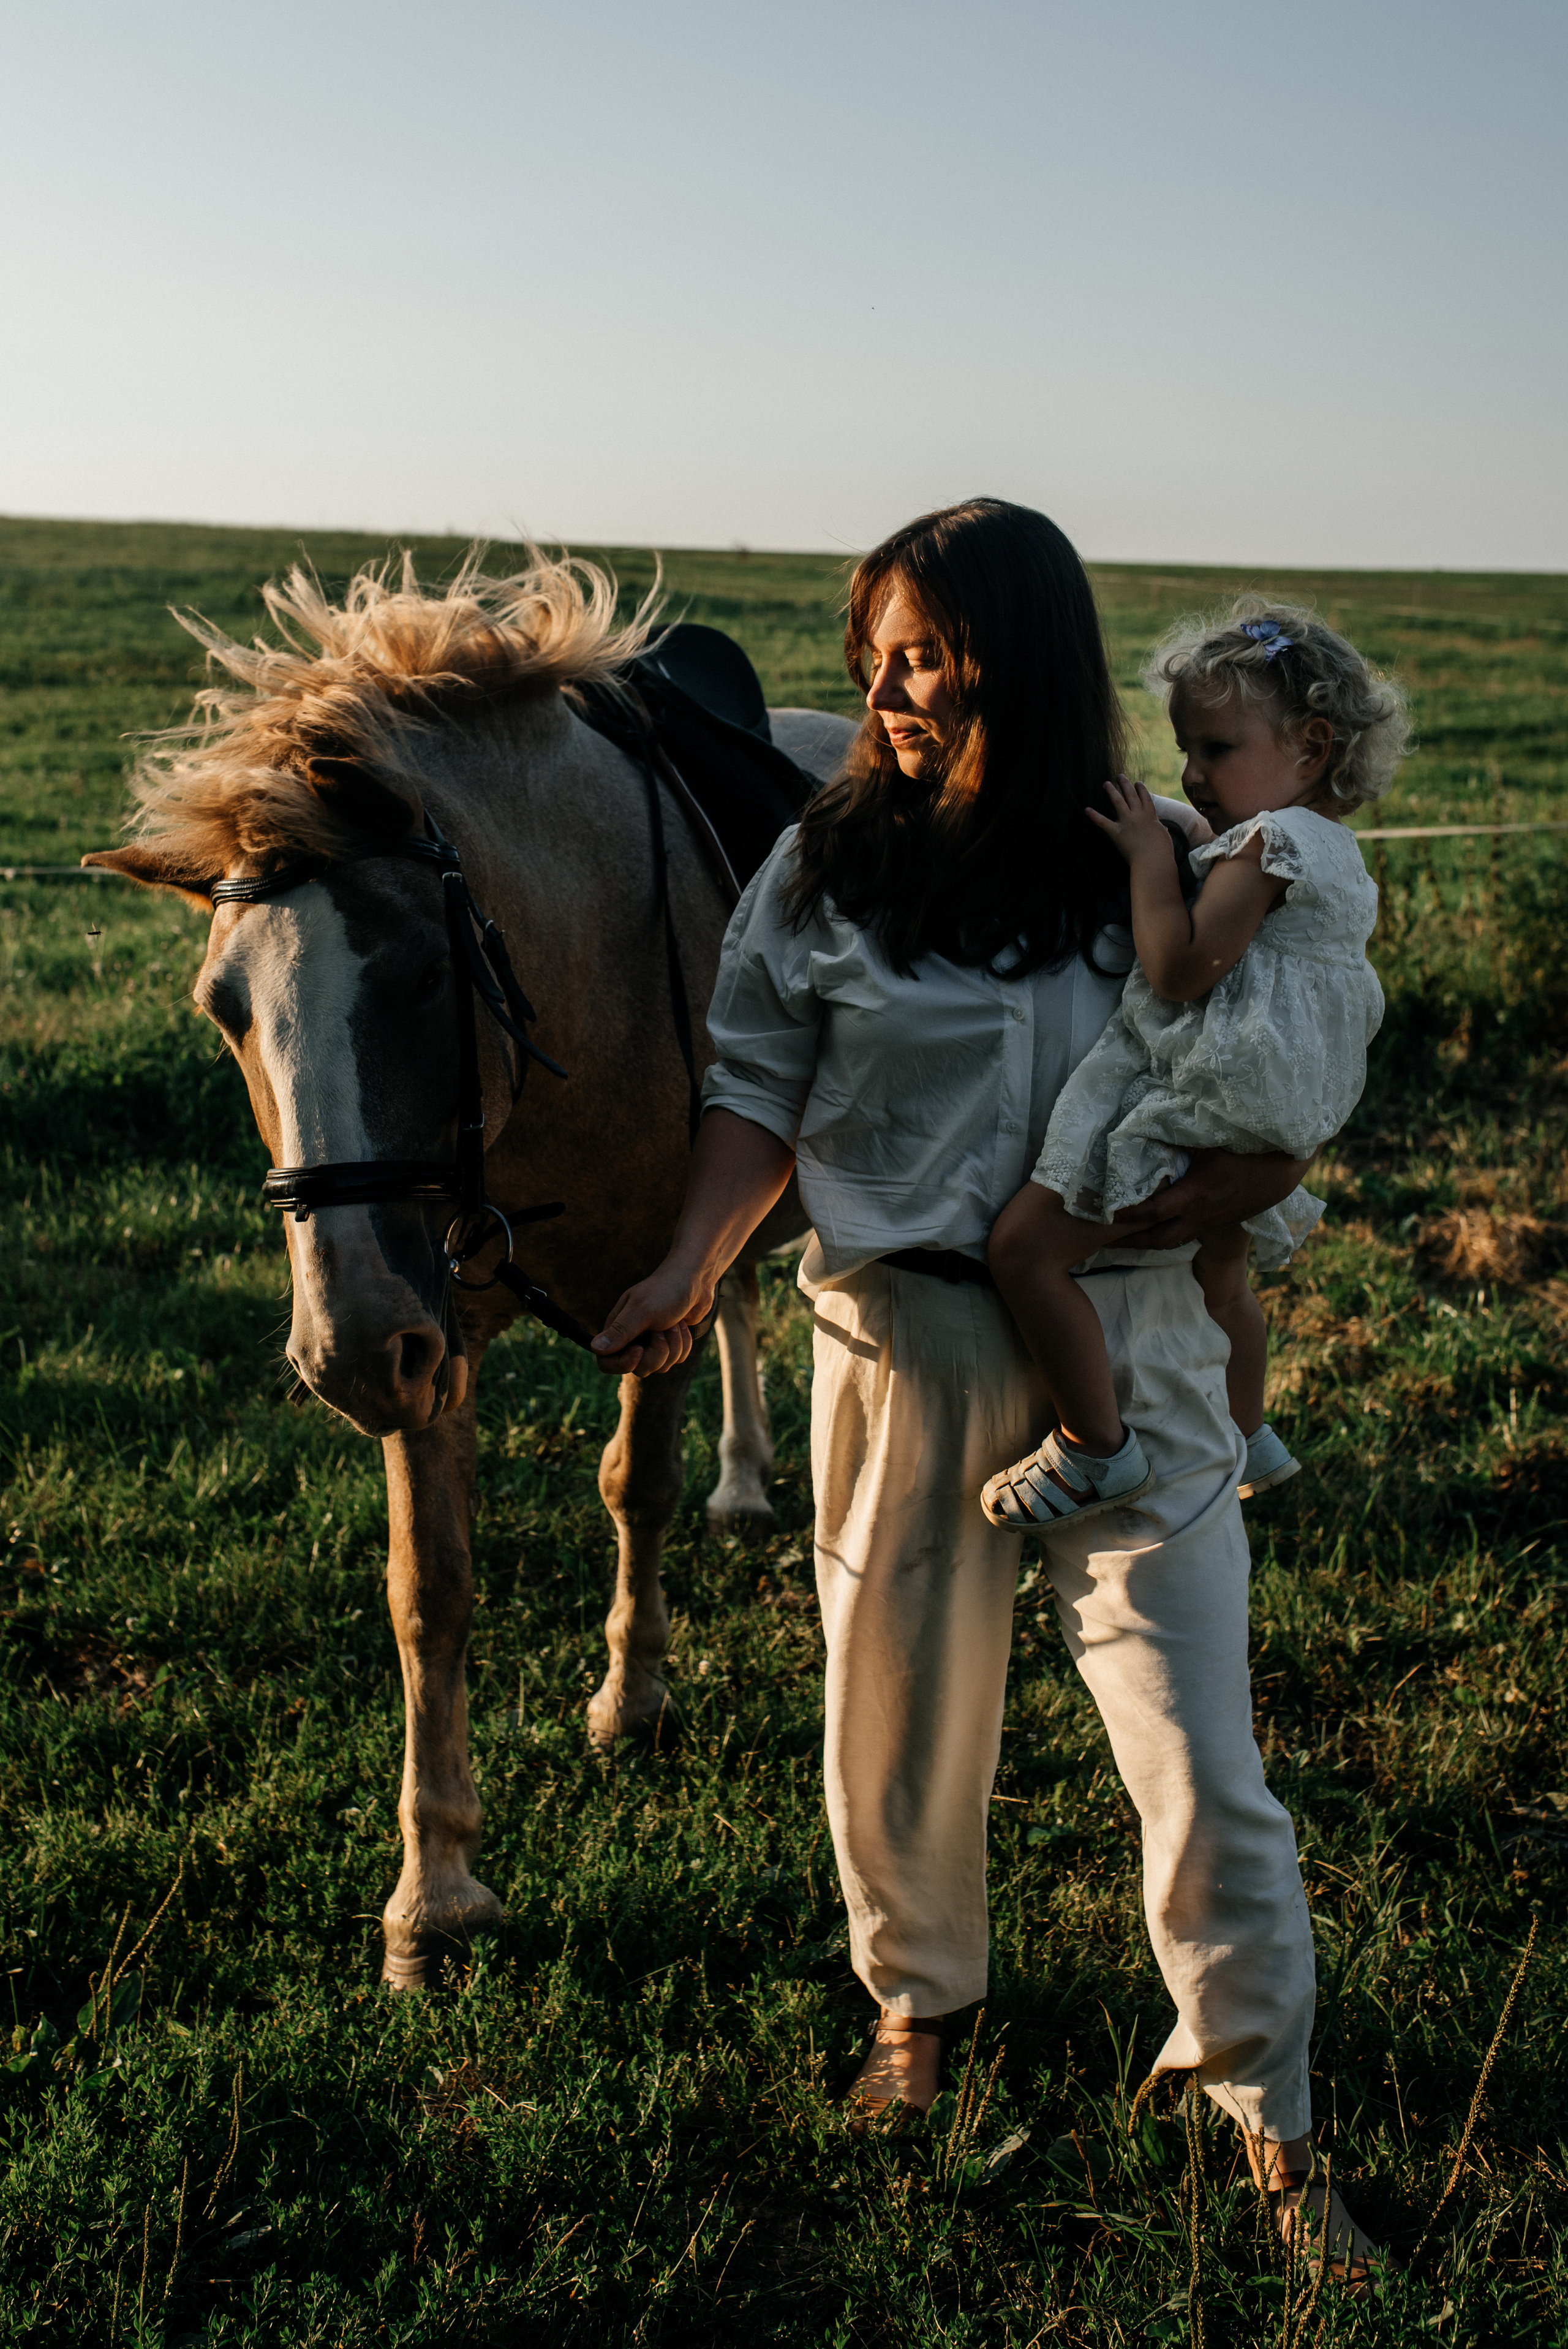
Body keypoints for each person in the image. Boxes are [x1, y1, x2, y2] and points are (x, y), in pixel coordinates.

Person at [591, 501, 1378, 2279]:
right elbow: (756, 1085)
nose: (885, 683)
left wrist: (1260, 1185)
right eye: (873, 646)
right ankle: (916, 2011)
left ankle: (1270, 2112)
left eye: (927, 651)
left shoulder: (1170, 851)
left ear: (1018, 661)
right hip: (906, 1345)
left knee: (1203, 1761)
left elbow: (1291, 1047)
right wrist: (687, 1263)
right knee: (896, 1725)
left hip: (1140, 1349)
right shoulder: (825, 866)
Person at [980, 604, 1406, 1536]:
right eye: (1184, 749)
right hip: (1276, 1108)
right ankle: (1247, 1432)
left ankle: (1097, 1446)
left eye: (1215, 748)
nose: (1189, 774)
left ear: (1311, 745)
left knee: (1025, 1249)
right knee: (1223, 1278)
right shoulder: (1342, 855)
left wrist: (1147, 859)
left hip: (1209, 1099)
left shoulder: (1268, 844)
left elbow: (1180, 969)